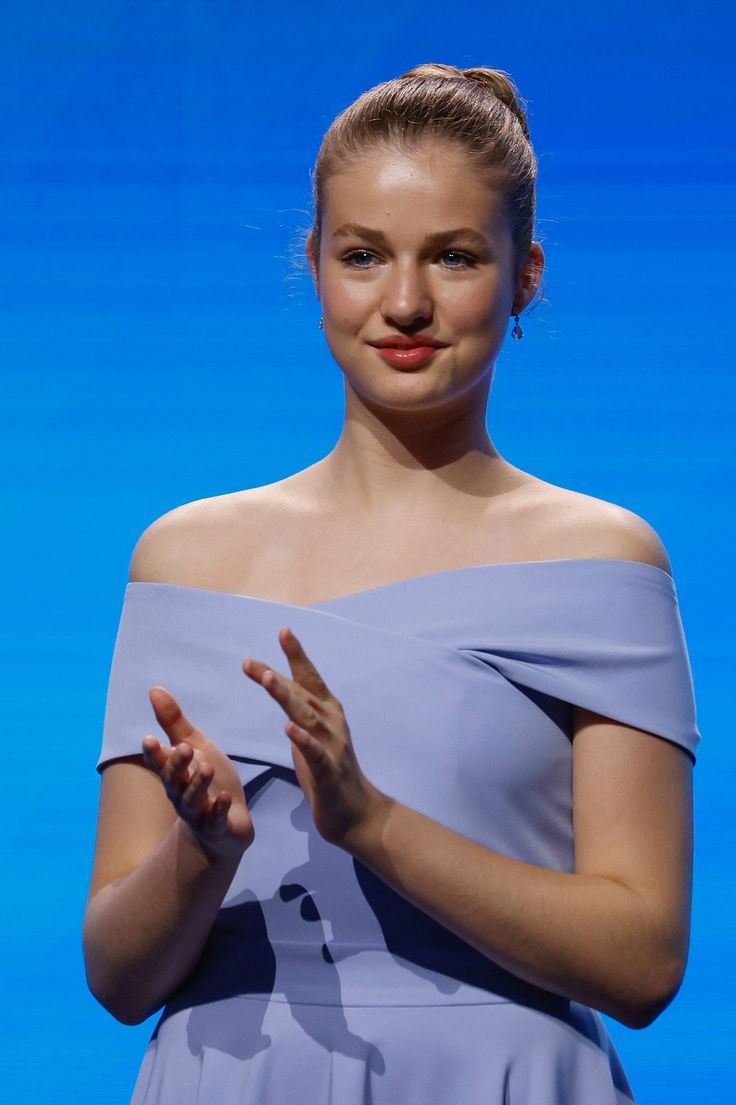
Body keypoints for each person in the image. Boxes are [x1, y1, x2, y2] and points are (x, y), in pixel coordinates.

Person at [82, 62, 700, 1105]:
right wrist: (203, 853)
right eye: (362, 255)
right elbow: (117, 976)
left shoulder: (603, 558)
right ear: (315, 264)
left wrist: (373, 824)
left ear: (525, 275)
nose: (404, 303)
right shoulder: (185, 557)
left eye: (453, 257)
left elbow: (642, 962)